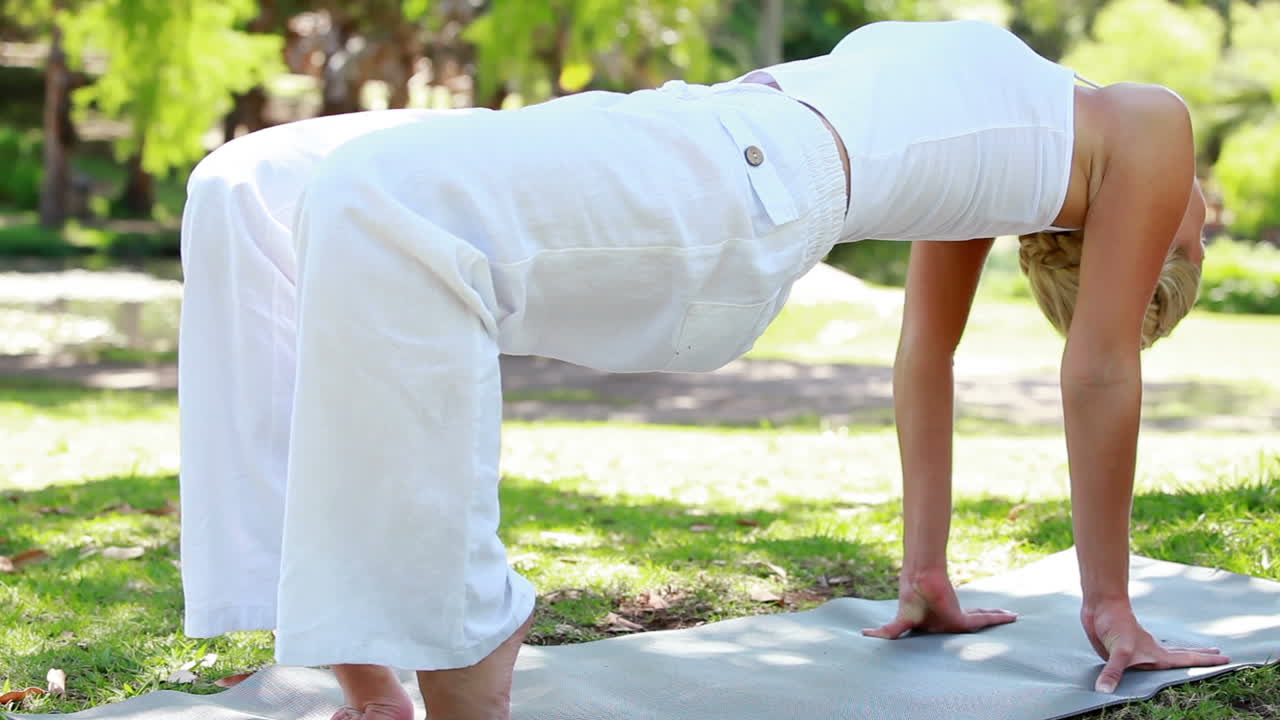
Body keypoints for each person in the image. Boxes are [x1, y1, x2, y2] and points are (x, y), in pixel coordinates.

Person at [177, 19, 1224, 720]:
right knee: (248, 184)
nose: (1202, 216)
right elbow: (924, 360)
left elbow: (1095, 374)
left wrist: (1108, 607)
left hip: (740, 190)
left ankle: (463, 635)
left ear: (1159, 254)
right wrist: (925, 577)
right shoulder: (1027, 163)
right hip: (700, 130)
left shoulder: (1148, 128)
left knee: (377, 199)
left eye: (1199, 243)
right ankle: (359, 659)